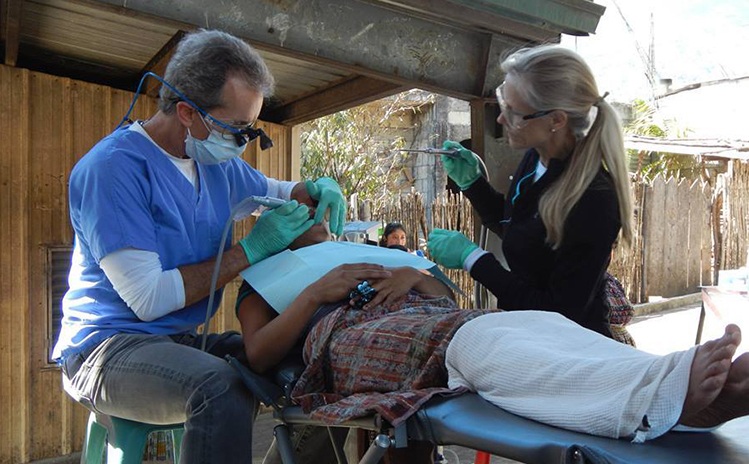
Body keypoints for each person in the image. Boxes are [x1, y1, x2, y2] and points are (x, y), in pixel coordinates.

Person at [52, 29, 348, 464]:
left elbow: (282, 191)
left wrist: (316, 189)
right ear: (187, 111)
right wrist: (252, 250)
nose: (243, 141)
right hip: (106, 349)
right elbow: (149, 300)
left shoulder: (216, 165)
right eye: (237, 129)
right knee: (219, 387)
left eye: (250, 130)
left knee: (328, 356)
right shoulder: (113, 170)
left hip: (179, 340)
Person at [236, 224, 749, 454]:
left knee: (539, 323)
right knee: (476, 344)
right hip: (352, 337)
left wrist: (412, 279)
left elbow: (441, 292)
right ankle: (657, 399)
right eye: (303, 212)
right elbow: (259, 354)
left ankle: (665, 382)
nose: (317, 219)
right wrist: (313, 296)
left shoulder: (365, 252)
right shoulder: (266, 279)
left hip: (438, 315)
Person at [427, 44, 633, 338]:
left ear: (556, 120)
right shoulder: (536, 157)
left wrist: (473, 259)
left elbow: (558, 312)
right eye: (503, 104)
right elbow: (521, 230)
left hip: (571, 346)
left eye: (514, 112)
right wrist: (473, 185)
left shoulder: (594, 200)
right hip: (529, 332)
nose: (501, 119)